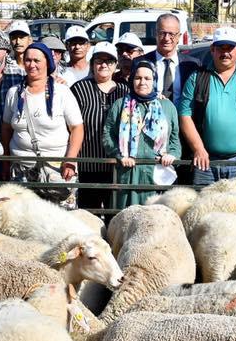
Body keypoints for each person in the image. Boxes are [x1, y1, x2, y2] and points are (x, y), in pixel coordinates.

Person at [2, 42, 83, 206]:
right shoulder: (13, 93)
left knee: (60, 222)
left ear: (47, 62)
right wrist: (5, 160)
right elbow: (6, 128)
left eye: (37, 60)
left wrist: (70, 160)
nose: (32, 65)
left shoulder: (62, 92)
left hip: (56, 168)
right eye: (28, 60)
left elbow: (77, 128)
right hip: (21, 169)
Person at [179, 27, 236, 186]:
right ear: (212, 49)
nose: (225, 53)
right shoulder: (198, 77)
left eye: (230, 48)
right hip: (205, 161)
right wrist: (198, 149)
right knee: (203, 209)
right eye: (220, 48)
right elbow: (184, 115)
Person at [103, 60, 181, 208]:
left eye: (147, 78)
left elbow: (174, 139)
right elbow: (108, 135)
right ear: (132, 80)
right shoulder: (120, 105)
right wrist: (120, 155)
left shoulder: (167, 106)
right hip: (129, 174)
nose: (142, 82)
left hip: (157, 173)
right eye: (138, 78)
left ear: (154, 80)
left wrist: (172, 155)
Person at [71, 42, 129, 209]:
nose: (104, 65)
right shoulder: (79, 88)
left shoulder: (124, 91)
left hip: (117, 166)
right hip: (88, 164)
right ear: (92, 63)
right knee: (89, 216)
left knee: (115, 215)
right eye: (99, 60)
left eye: (109, 61)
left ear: (116, 64)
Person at [136, 14, 200, 105]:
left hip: (181, 117)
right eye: (162, 33)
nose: (166, 38)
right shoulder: (140, 62)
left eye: (171, 34)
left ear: (179, 37)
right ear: (155, 34)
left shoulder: (193, 65)